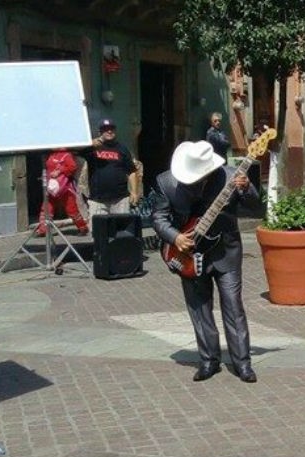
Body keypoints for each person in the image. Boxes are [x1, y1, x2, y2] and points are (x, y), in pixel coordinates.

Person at [151, 141, 260, 383]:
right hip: (187, 254)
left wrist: (247, 188)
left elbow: (255, 206)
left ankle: (242, 363)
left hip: (226, 253)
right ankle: (209, 360)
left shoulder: (232, 176)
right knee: (199, 308)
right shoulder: (166, 182)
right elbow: (158, 217)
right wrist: (175, 237)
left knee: (233, 306)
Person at [81, 119, 138, 216]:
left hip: (120, 199)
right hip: (97, 201)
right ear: (100, 132)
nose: (109, 131)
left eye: (111, 129)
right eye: (105, 129)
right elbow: (75, 150)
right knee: (98, 230)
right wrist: (89, 143)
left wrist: (134, 192)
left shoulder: (122, 148)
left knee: (121, 230)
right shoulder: (92, 148)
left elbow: (132, 171)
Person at [37, 149, 88, 236]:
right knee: (46, 208)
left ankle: (83, 228)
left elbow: (72, 167)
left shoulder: (66, 154)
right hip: (52, 187)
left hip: (65, 188)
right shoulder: (51, 154)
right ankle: (43, 229)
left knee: (71, 210)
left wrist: (60, 170)